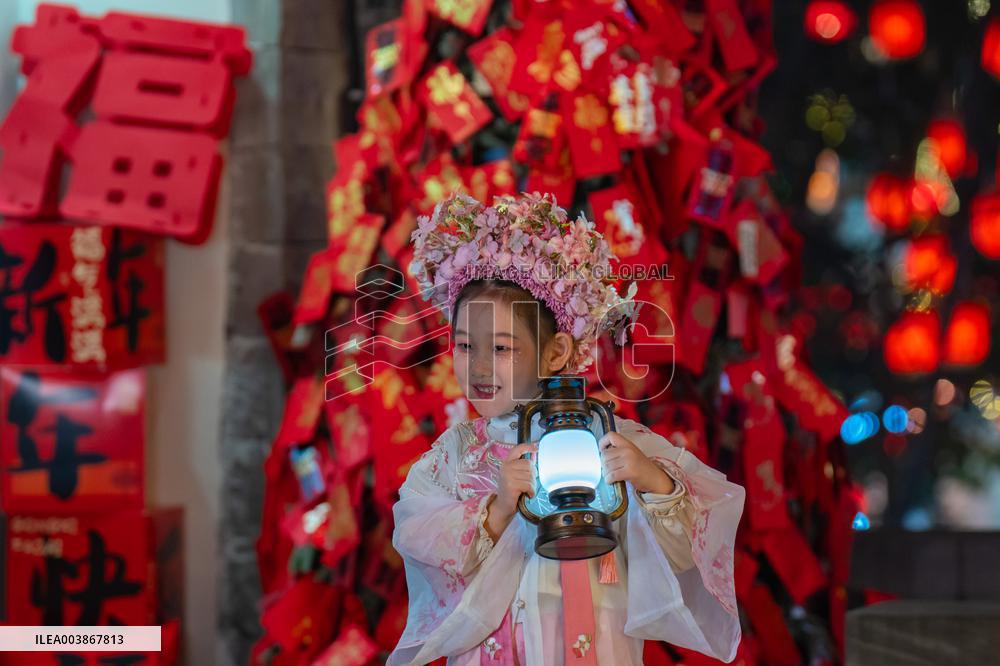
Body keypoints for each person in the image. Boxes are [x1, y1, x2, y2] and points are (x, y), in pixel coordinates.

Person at [389, 193, 745, 665]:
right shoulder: (456, 455)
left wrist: (649, 478)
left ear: (556, 353)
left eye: (500, 349)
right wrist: (494, 511)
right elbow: (417, 530)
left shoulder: (605, 437)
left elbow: (694, 538)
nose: (477, 366)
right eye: (463, 346)